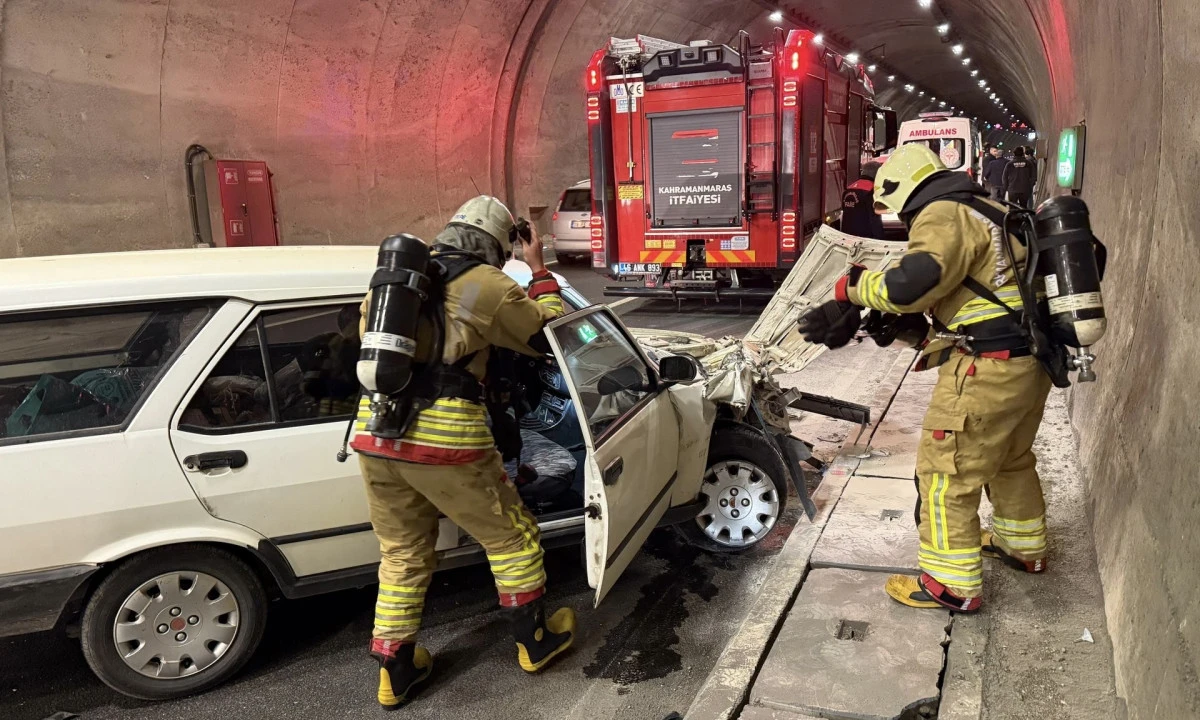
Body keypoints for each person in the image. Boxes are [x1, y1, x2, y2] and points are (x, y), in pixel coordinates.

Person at [795, 144, 1051, 614]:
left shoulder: (943, 214)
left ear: (906, 193)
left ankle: (951, 586)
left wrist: (849, 288)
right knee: (1010, 458)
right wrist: (897, 326)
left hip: (984, 370)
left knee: (944, 474)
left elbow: (909, 284)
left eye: (899, 212)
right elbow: (974, 297)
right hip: (1028, 362)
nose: (904, 222)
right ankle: (1023, 546)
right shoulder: (992, 210)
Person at [349, 196, 574, 709]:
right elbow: (549, 336)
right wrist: (537, 269)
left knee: (403, 553)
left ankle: (396, 670)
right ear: (497, 245)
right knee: (511, 537)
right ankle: (536, 643)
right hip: (447, 437)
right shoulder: (487, 285)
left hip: (376, 433)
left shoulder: (393, 286)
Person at [841, 161, 885, 238]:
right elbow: (874, 220)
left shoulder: (848, 189)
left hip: (847, 237)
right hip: (865, 239)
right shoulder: (872, 191)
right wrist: (880, 238)